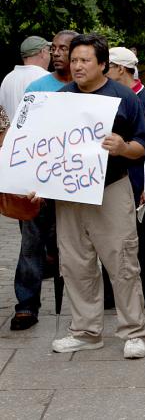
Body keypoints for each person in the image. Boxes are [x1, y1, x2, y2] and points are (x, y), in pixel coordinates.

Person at [48, 33, 145, 358]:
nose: (76, 66)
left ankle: (133, 331)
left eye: (84, 60)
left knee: (122, 260)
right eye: (73, 60)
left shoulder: (123, 97)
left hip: (111, 188)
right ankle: (85, 330)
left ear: (103, 64)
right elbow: (45, 147)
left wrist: (123, 147)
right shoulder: (61, 98)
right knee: (75, 263)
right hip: (69, 192)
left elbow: (142, 145)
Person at [8, 31, 78, 332]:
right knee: (31, 243)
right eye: (55, 48)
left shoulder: (89, 90)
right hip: (38, 181)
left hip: (76, 182)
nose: (59, 53)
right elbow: (24, 134)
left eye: (66, 49)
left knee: (77, 246)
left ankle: (81, 307)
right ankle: (26, 305)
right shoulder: (37, 87)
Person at [103, 47, 145, 308]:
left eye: (109, 66)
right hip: (114, 177)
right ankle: (112, 295)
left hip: (139, 177)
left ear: (121, 69)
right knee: (111, 239)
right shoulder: (107, 96)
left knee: (139, 239)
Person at [0, 36, 51, 120]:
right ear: (42, 52)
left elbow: (2, 114)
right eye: (49, 51)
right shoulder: (46, 78)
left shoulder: (7, 78)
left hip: (10, 133)